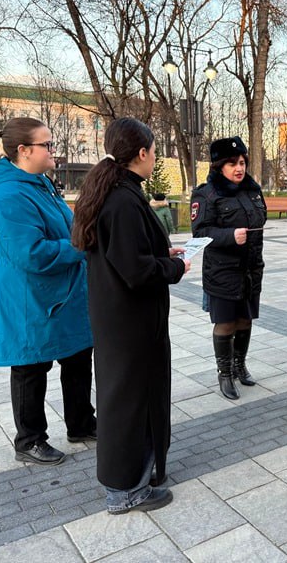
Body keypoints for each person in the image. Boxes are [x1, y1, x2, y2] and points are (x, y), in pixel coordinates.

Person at [72, 117, 190, 515]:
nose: (155, 157)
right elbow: (135, 271)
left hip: (122, 319)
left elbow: (126, 255)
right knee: (129, 403)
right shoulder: (121, 199)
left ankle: (137, 476)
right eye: (154, 151)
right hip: (130, 322)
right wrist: (175, 268)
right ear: (141, 153)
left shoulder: (117, 191)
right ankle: (125, 490)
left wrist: (162, 255)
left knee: (129, 399)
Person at [0, 118, 96, 466]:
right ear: (24, 151)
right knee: (31, 367)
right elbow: (30, 252)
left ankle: (81, 423)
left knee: (77, 359)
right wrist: (81, 247)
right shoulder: (8, 194)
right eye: (47, 144)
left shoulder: (40, 183)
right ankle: (29, 440)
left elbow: (67, 227)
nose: (53, 150)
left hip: (65, 292)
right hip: (31, 299)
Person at [191, 136, 266, 400]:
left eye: (242, 162)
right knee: (225, 323)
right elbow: (199, 232)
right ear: (219, 166)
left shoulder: (252, 190)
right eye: (232, 163)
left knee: (245, 319)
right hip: (222, 272)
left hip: (250, 269)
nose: (239, 168)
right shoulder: (207, 194)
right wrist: (229, 235)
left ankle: (239, 365)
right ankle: (224, 374)